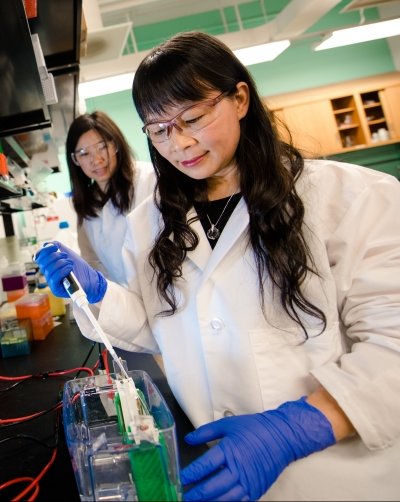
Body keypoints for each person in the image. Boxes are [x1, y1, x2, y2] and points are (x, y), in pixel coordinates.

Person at [36, 31, 400, 501]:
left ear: (240, 98)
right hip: (213, 464)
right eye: (160, 129)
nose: (180, 142)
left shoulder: (353, 197)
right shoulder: (151, 220)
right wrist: (101, 296)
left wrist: (300, 426)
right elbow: (160, 325)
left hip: (337, 477)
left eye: (192, 117)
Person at [65, 111, 155, 284]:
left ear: (115, 145)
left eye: (102, 147)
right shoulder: (86, 203)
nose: (96, 159)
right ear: (75, 160)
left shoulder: (148, 179)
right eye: (84, 153)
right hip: (124, 303)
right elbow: (92, 263)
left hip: (166, 297)